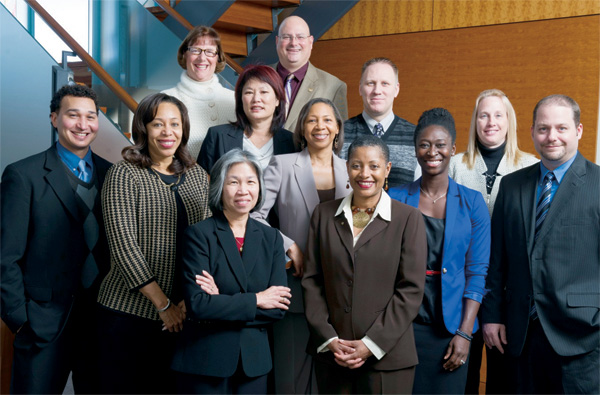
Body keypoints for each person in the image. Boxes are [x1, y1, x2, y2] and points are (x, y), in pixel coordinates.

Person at [482, 95, 599, 394]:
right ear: (533, 131)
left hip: (582, 338)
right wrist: (492, 316)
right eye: (544, 128)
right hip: (519, 334)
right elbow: (497, 260)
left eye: (561, 128)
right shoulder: (511, 185)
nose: (552, 137)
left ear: (579, 130)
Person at [96, 93, 211, 394]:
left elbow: (209, 241)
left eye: (174, 124)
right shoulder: (123, 173)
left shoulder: (197, 175)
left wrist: (190, 299)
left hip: (184, 313)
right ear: (143, 128)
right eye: (158, 124)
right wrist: (163, 306)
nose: (167, 132)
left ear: (184, 129)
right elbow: (123, 247)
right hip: (129, 314)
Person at [1, 84, 111, 393]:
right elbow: (5, 255)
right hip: (43, 323)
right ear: (54, 118)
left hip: (99, 322)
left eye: (90, 117)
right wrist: (19, 318)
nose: (82, 124)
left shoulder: (112, 174)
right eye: (72, 115)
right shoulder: (23, 175)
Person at [302, 134, 427, 393]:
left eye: (374, 165)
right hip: (334, 356)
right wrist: (329, 338)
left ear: (387, 169)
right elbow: (312, 281)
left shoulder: (408, 219)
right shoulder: (323, 215)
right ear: (347, 168)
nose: (364, 173)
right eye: (356, 165)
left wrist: (371, 344)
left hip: (388, 358)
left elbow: (411, 290)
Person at [251, 98, 350, 394]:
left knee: (334, 380)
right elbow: (255, 215)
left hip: (341, 291)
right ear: (302, 130)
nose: (320, 126)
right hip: (294, 286)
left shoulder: (351, 169)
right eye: (312, 120)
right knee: (290, 379)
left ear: (337, 128)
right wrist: (290, 245)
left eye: (327, 120)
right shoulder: (281, 165)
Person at [388, 108, 490, 394]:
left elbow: (477, 273)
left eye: (440, 145)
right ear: (415, 149)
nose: (432, 151)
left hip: (450, 327)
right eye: (424, 144)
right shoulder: (394, 197)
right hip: (402, 324)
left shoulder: (473, 203)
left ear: (453, 149)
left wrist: (465, 333)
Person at [171, 149, 290, 394]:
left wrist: (221, 301)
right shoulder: (199, 235)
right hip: (205, 360)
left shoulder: (271, 238)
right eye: (233, 182)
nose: (243, 190)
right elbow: (199, 305)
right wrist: (257, 299)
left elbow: (277, 309)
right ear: (219, 187)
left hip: (253, 364)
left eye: (250, 182)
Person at [448, 89, 538, 394]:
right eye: (484, 115)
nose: (491, 122)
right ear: (475, 121)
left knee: (503, 379)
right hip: (462, 288)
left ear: (509, 121)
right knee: (461, 376)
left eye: (498, 114)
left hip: (509, 291)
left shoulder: (531, 166)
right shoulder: (455, 165)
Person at [198, 65, 296, 173]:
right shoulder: (217, 136)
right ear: (241, 99)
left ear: (277, 99)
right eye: (249, 92)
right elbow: (201, 184)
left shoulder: (292, 142)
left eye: (263, 92)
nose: (256, 99)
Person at [341, 57, 418, 188]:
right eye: (370, 83)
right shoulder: (339, 133)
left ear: (396, 89)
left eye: (385, 83)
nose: (377, 91)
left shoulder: (416, 136)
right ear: (360, 88)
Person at [162, 25, 235, 159]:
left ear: (218, 57)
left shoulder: (235, 100)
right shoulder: (165, 100)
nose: (202, 58)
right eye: (195, 50)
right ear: (184, 54)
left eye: (209, 51)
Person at [273, 15, 348, 132]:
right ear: (277, 41)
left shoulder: (334, 86)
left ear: (311, 42)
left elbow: (339, 136)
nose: (293, 43)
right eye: (287, 37)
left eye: (300, 37)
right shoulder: (255, 78)